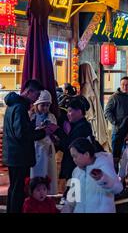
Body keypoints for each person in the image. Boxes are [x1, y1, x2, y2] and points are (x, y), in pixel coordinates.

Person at [2, 79, 50, 213]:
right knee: (19, 190)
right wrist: (42, 132)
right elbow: (21, 134)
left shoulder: (13, 106)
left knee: (14, 188)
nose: (36, 100)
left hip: (14, 155)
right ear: (29, 92)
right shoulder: (20, 108)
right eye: (36, 95)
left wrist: (32, 125)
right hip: (20, 156)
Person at [62, 136, 123, 213]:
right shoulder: (76, 171)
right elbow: (72, 197)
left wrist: (102, 178)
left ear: (86, 154)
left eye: (75, 156)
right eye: (72, 157)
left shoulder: (104, 165)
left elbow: (118, 188)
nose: (74, 160)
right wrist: (67, 208)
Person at [53, 96, 93, 186]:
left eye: (70, 111)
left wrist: (57, 131)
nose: (68, 114)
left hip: (76, 167)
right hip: (74, 167)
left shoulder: (83, 127)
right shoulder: (76, 125)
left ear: (79, 111)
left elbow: (71, 145)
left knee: (75, 194)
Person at [30, 90, 58, 195]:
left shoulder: (51, 117)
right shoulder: (32, 116)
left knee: (48, 170)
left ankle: (46, 191)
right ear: (37, 105)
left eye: (47, 105)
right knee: (37, 171)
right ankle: (35, 191)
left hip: (48, 147)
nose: (45, 108)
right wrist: (39, 129)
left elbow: (55, 130)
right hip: (36, 147)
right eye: (43, 105)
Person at [104, 76, 128, 150]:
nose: (125, 87)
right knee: (116, 154)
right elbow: (107, 111)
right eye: (123, 85)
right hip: (118, 129)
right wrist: (115, 123)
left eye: (127, 85)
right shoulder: (114, 97)